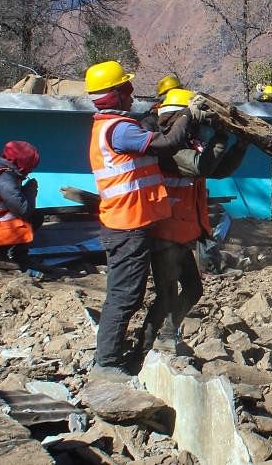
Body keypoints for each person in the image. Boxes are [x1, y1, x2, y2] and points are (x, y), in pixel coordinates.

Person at [85, 60, 200, 381]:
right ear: (116, 94)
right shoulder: (118, 129)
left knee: (133, 293)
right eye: (127, 89)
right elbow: (165, 144)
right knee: (124, 295)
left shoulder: (113, 125)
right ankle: (106, 363)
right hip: (126, 226)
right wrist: (187, 116)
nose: (131, 95)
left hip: (132, 223)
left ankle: (122, 355)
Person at [142, 88, 248, 353]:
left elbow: (218, 170)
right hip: (164, 233)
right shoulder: (166, 147)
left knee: (192, 290)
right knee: (166, 296)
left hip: (182, 232)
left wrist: (239, 144)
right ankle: (145, 344)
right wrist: (221, 138)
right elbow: (201, 166)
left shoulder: (188, 145)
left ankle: (165, 335)